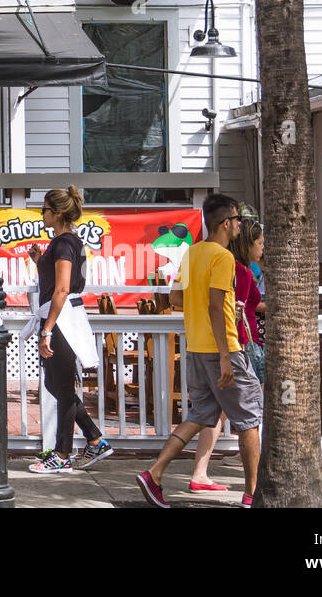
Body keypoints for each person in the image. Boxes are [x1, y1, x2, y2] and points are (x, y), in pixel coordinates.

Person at [137, 193, 263, 508]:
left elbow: (176, 298)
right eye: (237, 220)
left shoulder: (192, 253)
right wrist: (225, 355)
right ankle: (252, 494)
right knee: (249, 420)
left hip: (195, 348)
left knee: (200, 415)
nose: (239, 226)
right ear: (225, 223)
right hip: (225, 350)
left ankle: (155, 473)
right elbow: (217, 306)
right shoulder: (223, 258)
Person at [25, 185, 113, 473]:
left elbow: (62, 288)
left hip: (61, 321)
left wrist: (47, 329)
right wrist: (40, 261)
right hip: (63, 318)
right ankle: (95, 439)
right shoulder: (66, 242)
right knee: (56, 384)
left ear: (58, 212)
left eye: (45, 210)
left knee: (62, 386)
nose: (42, 215)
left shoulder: (64, 243)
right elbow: (60, 280)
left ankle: (62, 454)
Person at [188, 215, 266, 493]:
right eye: (260, 243)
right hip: (240, 347)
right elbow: (237, 309)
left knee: (215, 413)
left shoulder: (222, 263)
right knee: (252, 413)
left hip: (218, 346)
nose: (263, 247)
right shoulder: (240, 271)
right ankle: (254, 485)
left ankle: (199, 471)